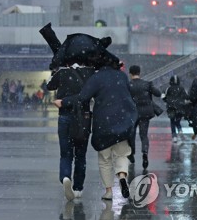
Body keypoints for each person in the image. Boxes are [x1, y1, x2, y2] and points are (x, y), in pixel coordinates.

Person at [54, 58, 138, 201]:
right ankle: (122, 177)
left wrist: (64, 102)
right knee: (121, 154)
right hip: (123, 122)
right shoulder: (122, 76)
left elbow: (82, 97)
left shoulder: (97, 78)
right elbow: (129, 95)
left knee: (105, 159)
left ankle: (109, 191)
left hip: (103, 124)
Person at [48, 62, 95, 200]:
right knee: (81, 156)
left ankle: (65, 177)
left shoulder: (62, 73)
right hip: (83, 119)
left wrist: (64, 101)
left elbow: (49, 86)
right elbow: (87, 95)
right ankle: (78, 188)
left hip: (65, 118)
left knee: (65, 154)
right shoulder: (89, 72)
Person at [127, 65, 162, 170]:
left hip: (132, 113)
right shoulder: (147, 84)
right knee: (144, 135)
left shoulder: (127, 85)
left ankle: (131, 153)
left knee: (131, 135)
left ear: (130, 73)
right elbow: (158, 94)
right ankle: (145, 152)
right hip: (145, 113)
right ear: (139, 72)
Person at [162, 75, 188, 143]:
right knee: (178, 121)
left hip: (171, 107)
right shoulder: (182, 88)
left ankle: (174, 137)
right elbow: (186, 96)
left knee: (172, 121)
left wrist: (167, 101)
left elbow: (163, 97)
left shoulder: (168, 88)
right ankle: (180, 130)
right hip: (180, 107)